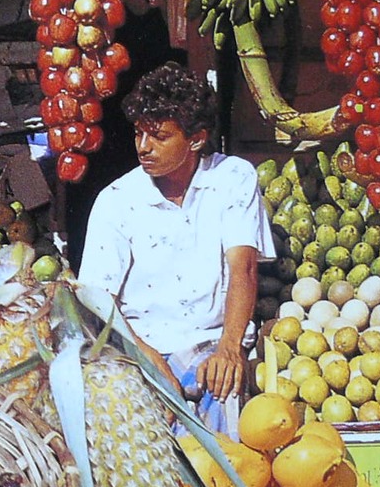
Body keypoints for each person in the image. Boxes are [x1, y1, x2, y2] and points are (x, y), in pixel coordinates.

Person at [76, 63, 276, 433]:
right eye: (138, 134)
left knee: (224, 457)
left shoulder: (232, 178)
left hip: (214, 343)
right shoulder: (118, 200)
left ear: (196, 139)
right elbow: (97, 301)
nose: (143, 147)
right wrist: (152, 363)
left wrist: (229, 347)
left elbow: (243, 268)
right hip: (138, 346)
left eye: (159, 136)